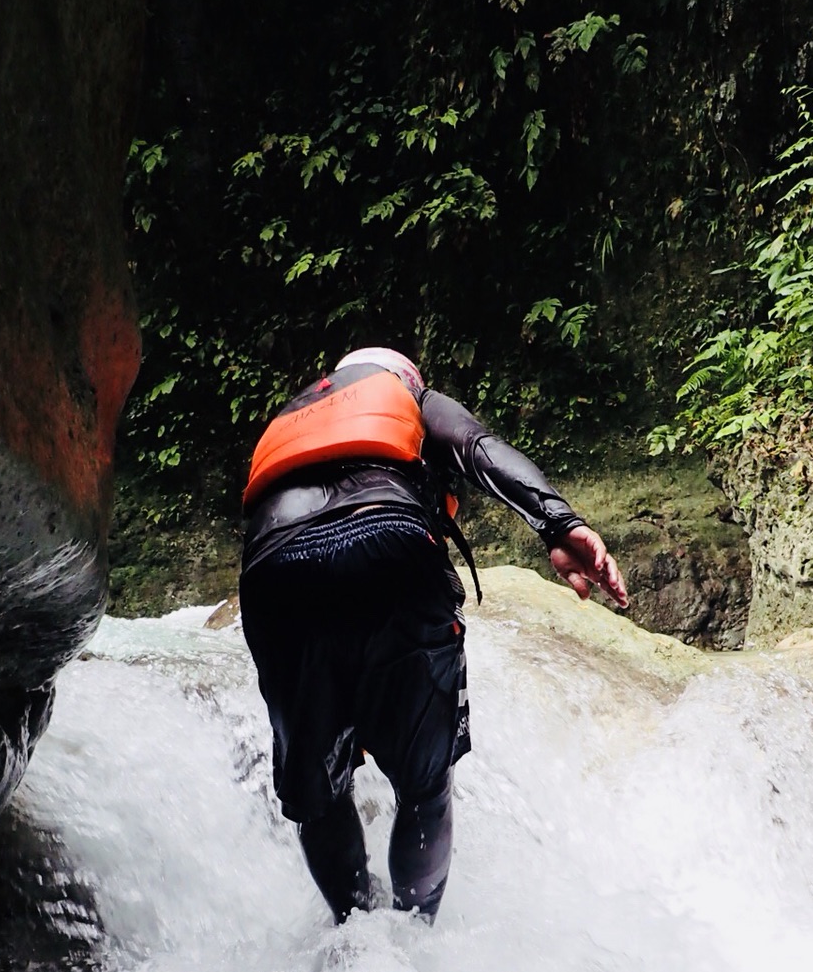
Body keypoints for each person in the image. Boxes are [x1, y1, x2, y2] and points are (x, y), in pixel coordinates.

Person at [238, 347, 628, 924]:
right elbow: (477, 449)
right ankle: (413, 938)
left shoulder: (284, 422)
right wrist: (559, 522)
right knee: (425, 788)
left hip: (273, 579)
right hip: (389, 548)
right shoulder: (403, 393)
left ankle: (354, 937)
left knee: (318, 803)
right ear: (404, 377)